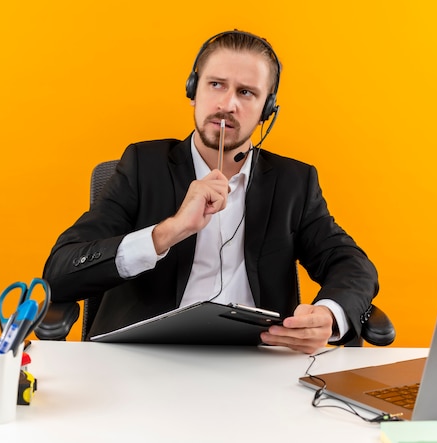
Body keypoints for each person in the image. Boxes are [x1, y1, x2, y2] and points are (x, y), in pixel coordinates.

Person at [43, 30, 379, 354]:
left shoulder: (294, 182)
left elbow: (352, 265)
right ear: (193, 90)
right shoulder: (143, 166)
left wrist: (329, 315)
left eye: (246, 93)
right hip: (146, 360)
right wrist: (168, 232)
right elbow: (59, 272)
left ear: (267, 110)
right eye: (216, 84)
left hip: (257, 362)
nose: (228, 104)